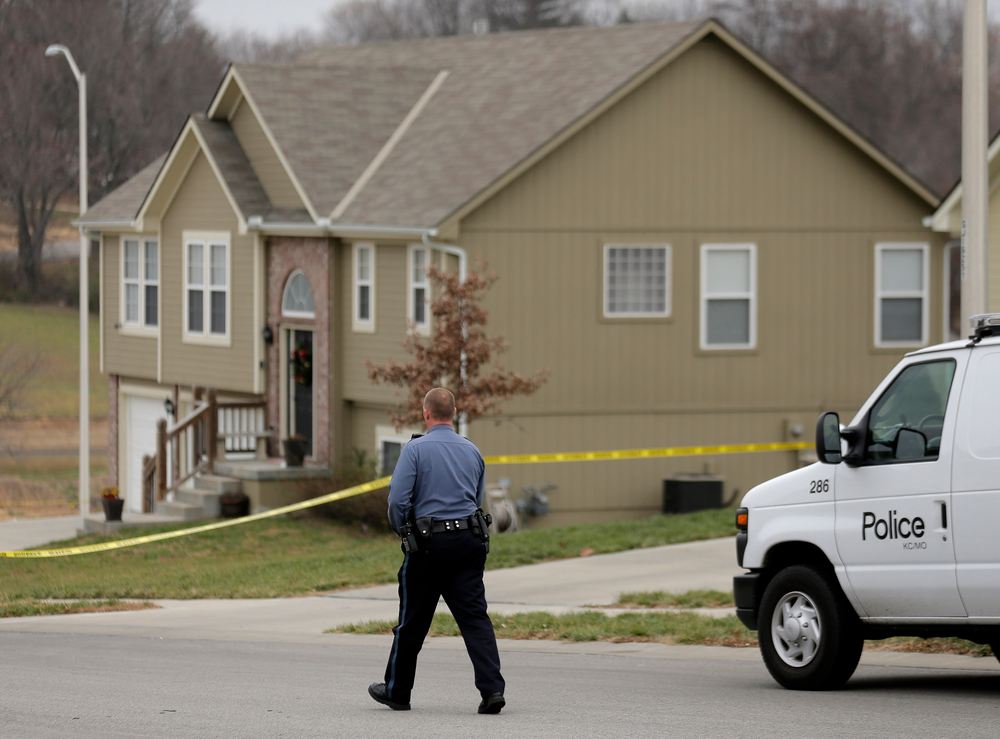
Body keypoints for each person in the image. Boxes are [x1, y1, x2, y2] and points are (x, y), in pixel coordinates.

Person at [368, 387, 506, 714]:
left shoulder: (415, 449)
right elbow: (476, 498)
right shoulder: (473, 450)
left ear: (426, 413)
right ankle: (492, 691)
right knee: (475, 619)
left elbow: (398, 501)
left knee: (412, 622)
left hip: (429, 546)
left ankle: (397, 691)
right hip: (469, 543)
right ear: (454, 413)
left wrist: (404, 531)